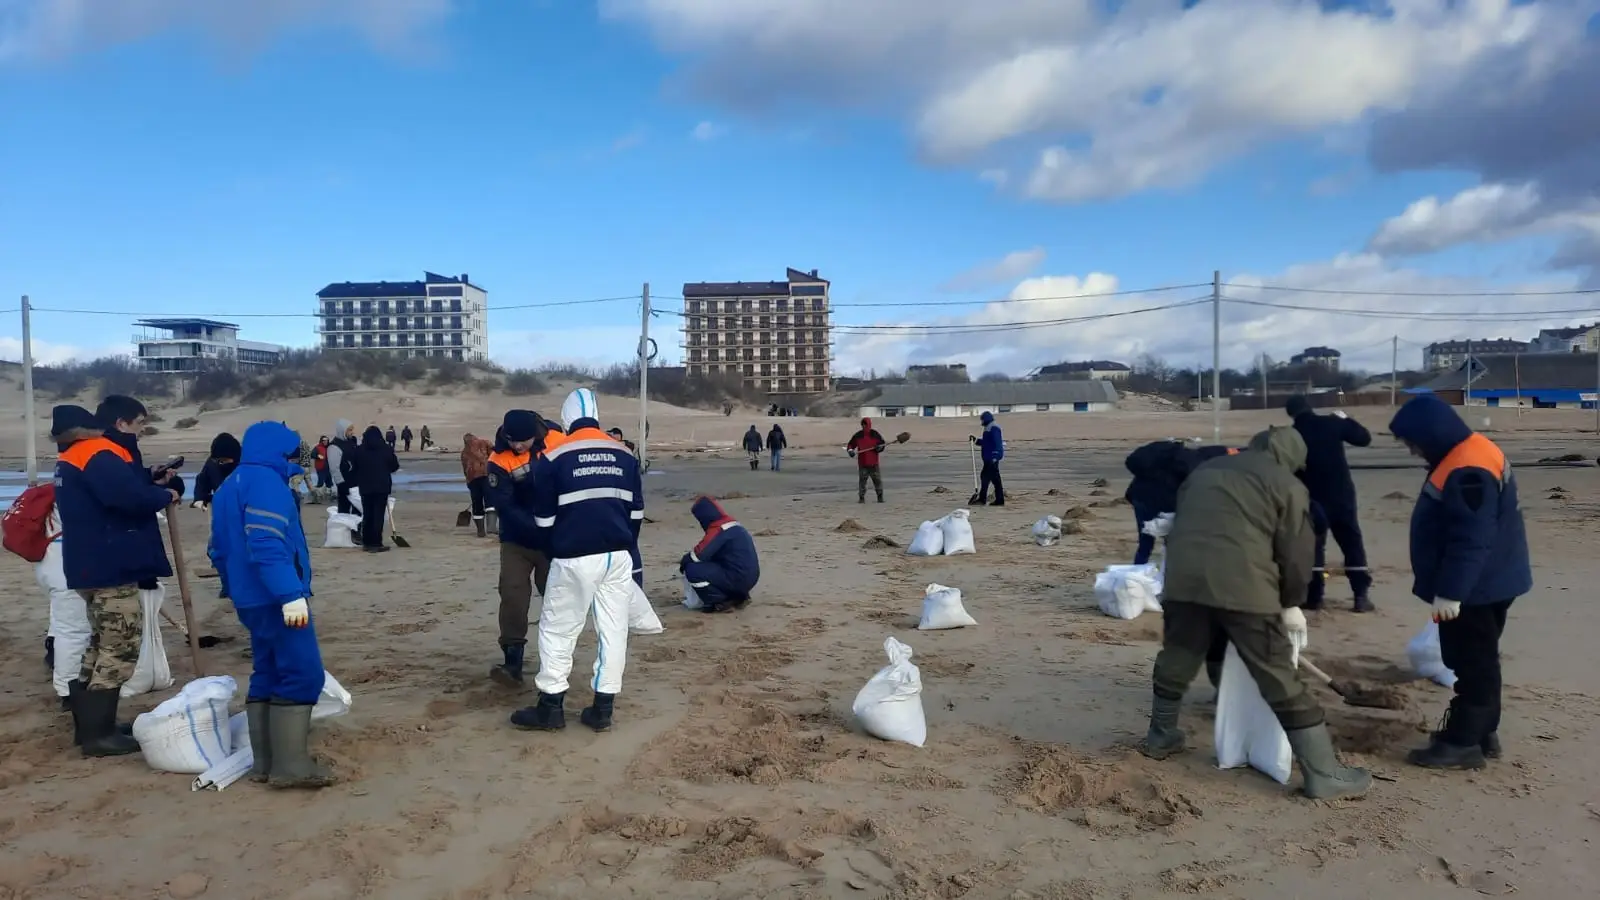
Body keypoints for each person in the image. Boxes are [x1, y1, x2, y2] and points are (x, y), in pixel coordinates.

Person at [1142, 425, 1370, 801]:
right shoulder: (1286, 484)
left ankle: (1160, 736)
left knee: (1179, 654)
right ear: (1292, 458)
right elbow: (1297, 554)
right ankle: (1324, 773)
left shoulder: (1206, 471)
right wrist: (1291, 601)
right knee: (1278, 673)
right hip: (1244, 588)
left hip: (1184, 582)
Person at [1389, 395, 1531, 770]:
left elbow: (1471, 537)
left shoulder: (1469, 468)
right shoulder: (1467, 453)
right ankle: (1482, 732)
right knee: (1473, 658)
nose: (1412, 451)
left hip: (1476, 588)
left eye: (1412, 443)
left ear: (1430, 435)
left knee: (1473, 663)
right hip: (1486, 581)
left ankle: (1463, 743)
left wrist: (1451, 593)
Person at [55, 397, 182, 758]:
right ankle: (98, 735)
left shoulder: (72, 456)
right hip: (108, 564)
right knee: (120, 645)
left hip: (87, 564)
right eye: (139, 425)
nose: (139, 432)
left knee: (100, 643)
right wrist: (163, 494)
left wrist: (147, 483)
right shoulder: (96, 452)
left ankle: (95, 727)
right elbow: (126, 498)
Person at [511, 388, 643, 733]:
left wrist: (554, 551)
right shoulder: (625, 456)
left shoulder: (554, 458)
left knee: (558, 629)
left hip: (573, 556)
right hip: (617, 555)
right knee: (614, 631)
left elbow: (543, 521)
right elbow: (637, 514)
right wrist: (626, 549)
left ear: (566, 419)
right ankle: (603, 708)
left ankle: (551, 706)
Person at [209, 420, 332, 789]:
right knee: (302, 673)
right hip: (275, 598)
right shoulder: (265, 485)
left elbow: (217, 549)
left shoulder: (231, 483)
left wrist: (234, 588)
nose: (298, 460)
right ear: (280, 453)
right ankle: (291, 767)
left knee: (268, 670)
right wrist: (290, 595)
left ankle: (264, 762)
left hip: (250, 598)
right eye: (293, 453)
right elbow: (266, 543)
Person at [486, 411, 558, 686]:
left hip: (554, 541)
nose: (517, 447)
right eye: (512, 441)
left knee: (555, 598)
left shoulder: (557, 441)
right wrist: (539, 526)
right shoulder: (498, 460)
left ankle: (555, 659)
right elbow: (505, 505)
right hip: (517, 539)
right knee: (513, 596)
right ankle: (512, 660)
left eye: (523, 441)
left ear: (535, 434)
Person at [1286, 396, 1375, 612]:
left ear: (1291, 414)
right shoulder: (1332, 423)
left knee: (1315, 547)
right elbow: (1364, 439)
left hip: (1312, 498)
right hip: (1342, 495)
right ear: (1311, 407)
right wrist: (1347, 419)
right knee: (1351, 543)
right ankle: (1360, 596)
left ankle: (1315, 597)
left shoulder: (1292, 435)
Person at [680, 496, 761, 613]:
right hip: (749, 577)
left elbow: (699, 555)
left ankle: (718, 601)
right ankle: (738, 596)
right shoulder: (733, 525)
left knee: (693, 570)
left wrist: (684, 562)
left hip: (737, 577)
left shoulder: (719, 528)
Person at [350, 425, 399, 553]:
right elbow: (394, 466)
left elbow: (354, 468)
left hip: (365, 487)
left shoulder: (359, 450)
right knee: (378, 515)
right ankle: (376, 542)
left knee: (367, 513)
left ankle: (367, 542)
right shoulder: (386, 449)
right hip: (382, 486)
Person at [460, 431, 494, 538]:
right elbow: (495, 454)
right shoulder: (485, 443)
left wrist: (468, 482)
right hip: (486, 475)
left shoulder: (464, 452)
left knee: (477, 504)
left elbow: (465, 469)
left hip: (473, 479)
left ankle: (481, 531)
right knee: (490, 501)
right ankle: (491, 526)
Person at [846, 417, 887, 503]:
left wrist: (878, 448)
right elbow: (850, 445)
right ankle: (861, 498)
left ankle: (880, 497)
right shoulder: (858, 435)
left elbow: (882, 444)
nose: (864, 426)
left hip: (873, 463)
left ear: (869, 424)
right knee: (862, 482)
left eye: (865, 424)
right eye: (863, 424)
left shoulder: (875, 434)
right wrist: (850, 451)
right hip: (863, 463)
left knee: (877, 481)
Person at [971, 411, 1006, 506]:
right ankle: (999, 499)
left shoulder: (993, 428)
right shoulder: (988, 428)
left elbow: (997, 443)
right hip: (988, 458)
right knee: (994, 479)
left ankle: (983, 499)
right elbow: (986, 443)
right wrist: (976, 441)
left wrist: (996, 456)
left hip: (992, 458)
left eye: (982, 420)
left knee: (986, 478)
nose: (981, 422)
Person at [328, 419, 356, 514]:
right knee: (344, 511)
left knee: (357, 510)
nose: (352, 432)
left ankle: (356, 528)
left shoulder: (351, 443)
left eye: (352, 429)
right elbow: (334, 468)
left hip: (355, 483)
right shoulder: (334, 447)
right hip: (344, 483)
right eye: (350, 430)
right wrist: (341, 483)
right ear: (343, 430)